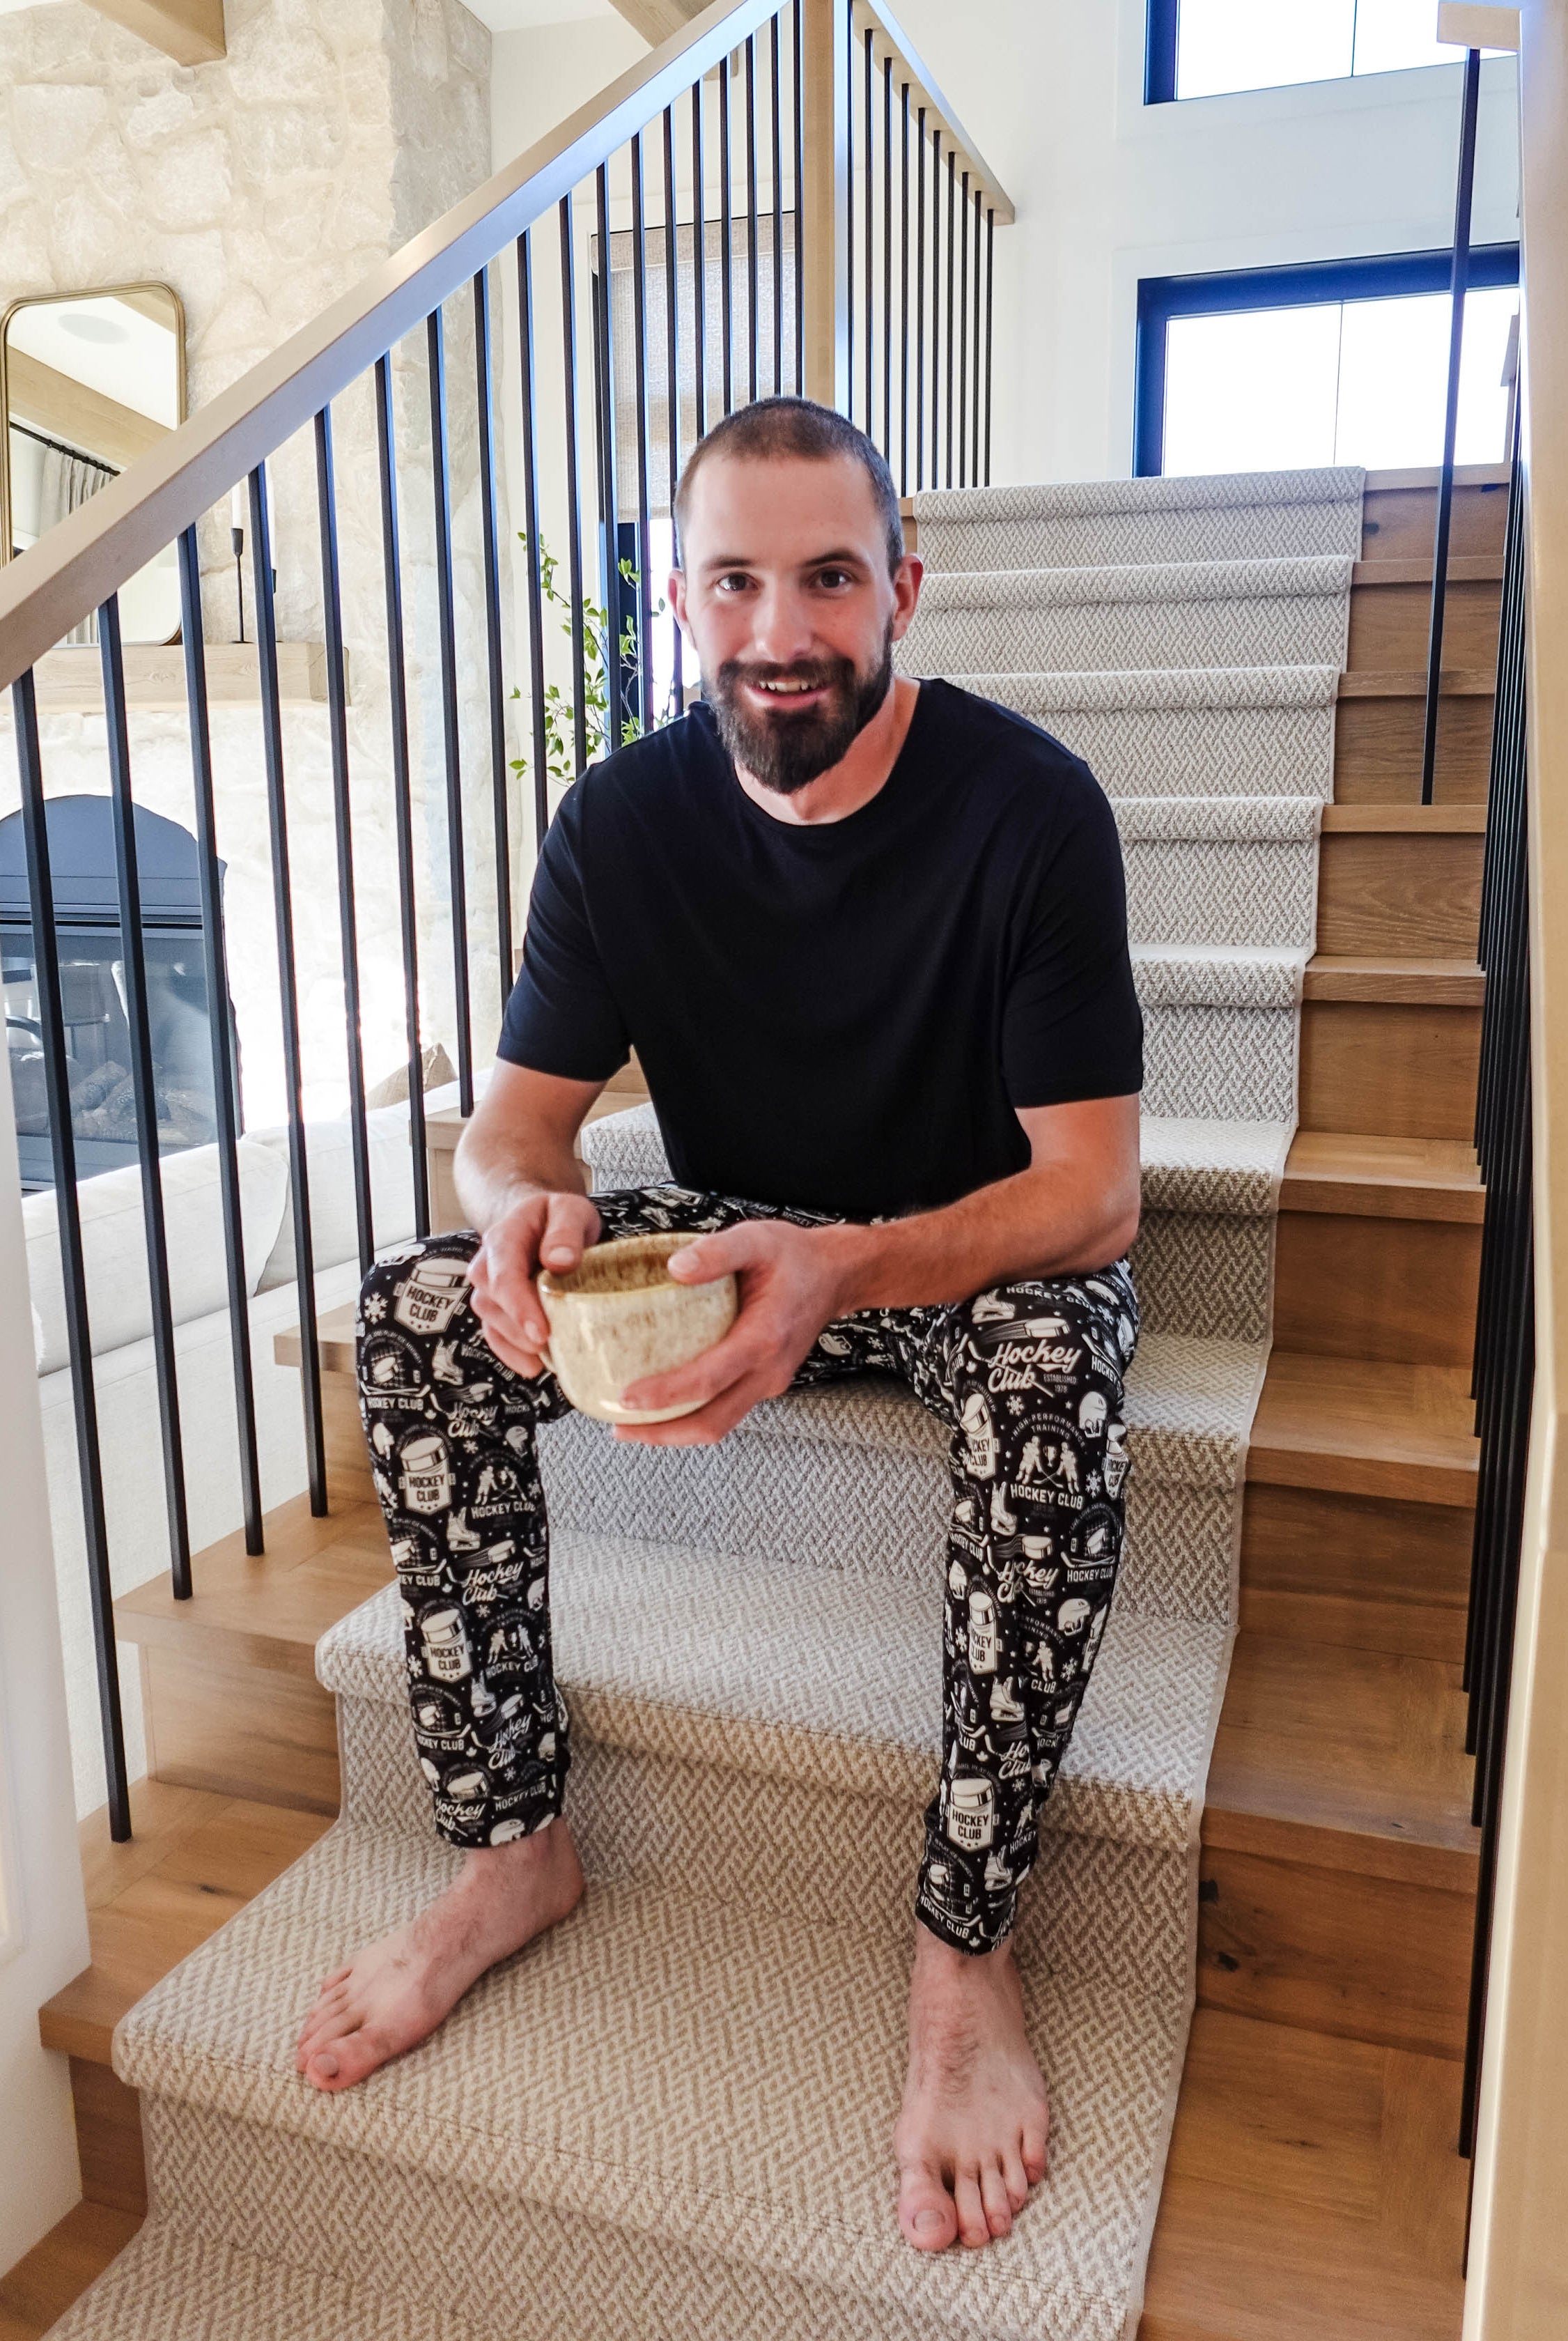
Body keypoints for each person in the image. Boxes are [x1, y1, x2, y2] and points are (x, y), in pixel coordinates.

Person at [295, 396, 1143, 2258]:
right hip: (730, 1232)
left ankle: (963, 1949)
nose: (780, 631)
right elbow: (512, 1119)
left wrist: (851, 1268)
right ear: (681, 605)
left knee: (1056, 1365)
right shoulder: (616, 819)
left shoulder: (1031, 811)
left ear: (900, 588)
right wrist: (523, 1209)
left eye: (827, 577)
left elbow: (1090, 1191)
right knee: (421, 1311)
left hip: (959, 1251)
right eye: (734, 582)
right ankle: (511, 1844)